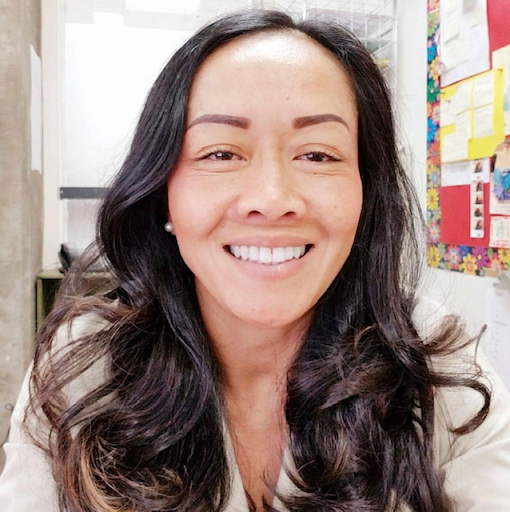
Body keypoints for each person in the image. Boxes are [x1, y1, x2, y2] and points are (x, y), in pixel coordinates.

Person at [1, 9, 510, 512]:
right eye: (220, 153)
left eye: (317, 155)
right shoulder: (83, 370)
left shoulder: (441, 369)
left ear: (365, 193)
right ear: (162, 195)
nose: (270, 197)